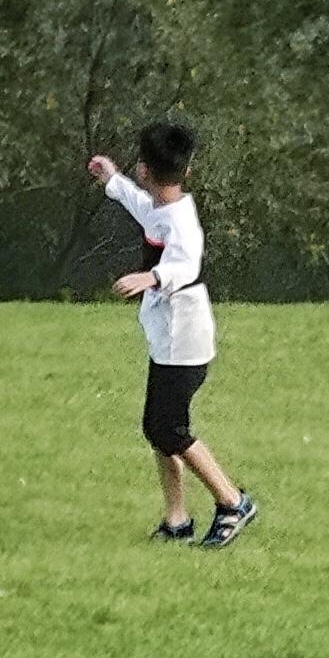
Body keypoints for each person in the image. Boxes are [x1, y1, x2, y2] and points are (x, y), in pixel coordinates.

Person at [90, 122, 255, 547]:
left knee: (169, 430)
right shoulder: (164, 209)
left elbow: (187, 265)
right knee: (157, 428)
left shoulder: (182, 222)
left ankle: (233, 502)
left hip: (185, 341)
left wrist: (152, 277)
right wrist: (112, 180)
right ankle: (177, 519)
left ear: (145, 168)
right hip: (168, 339)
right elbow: (141, 208)